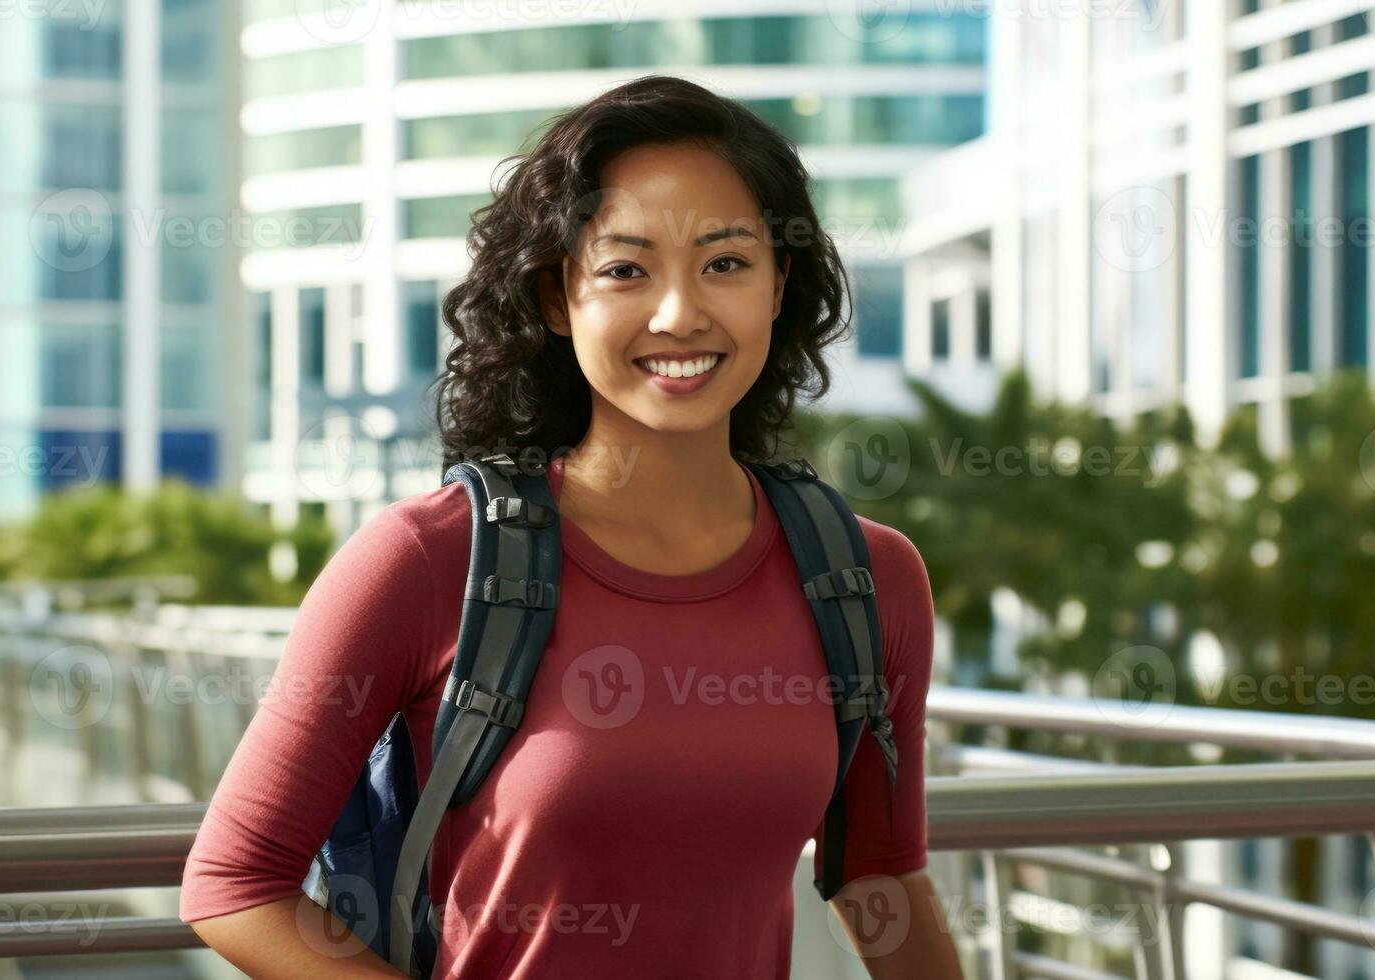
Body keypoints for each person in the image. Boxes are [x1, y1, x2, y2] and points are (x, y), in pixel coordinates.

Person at [180, 74, 961, 978]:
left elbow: (878, 877)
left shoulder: (867, 576)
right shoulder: (429, 560)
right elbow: (236, 882)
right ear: (558, 300)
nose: (680, 313)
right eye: (625, 269)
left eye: (725, 262)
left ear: (779, 285)